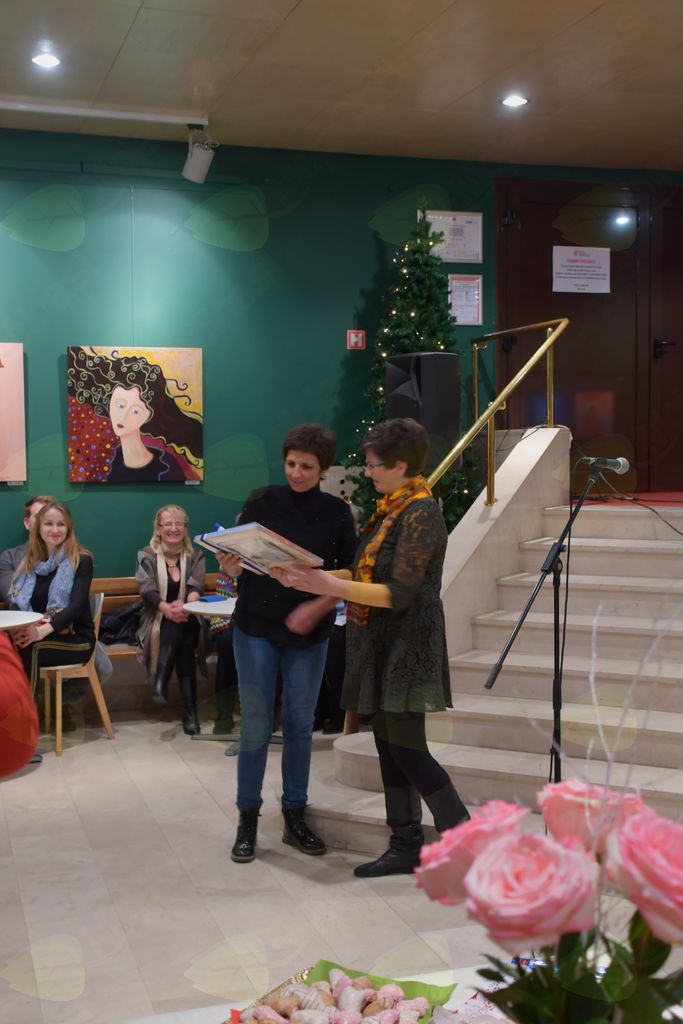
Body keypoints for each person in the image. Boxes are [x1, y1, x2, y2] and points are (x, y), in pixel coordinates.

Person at [273, 417, 470, 878]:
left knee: (408, 748)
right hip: (380, 641)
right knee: (388, 745)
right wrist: (309, 578)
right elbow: (363, 572)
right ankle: (405, 843)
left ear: (401, 466)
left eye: (375, 464)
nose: (367, 471)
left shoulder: (420, 513)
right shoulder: (391, 507)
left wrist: (331, 587)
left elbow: (397, 593)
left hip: (407, 644)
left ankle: (467, 840)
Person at [219, 423, 357, 864]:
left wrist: (316, 607)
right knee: (256, 725)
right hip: (255, 625)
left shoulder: (337, 512)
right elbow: (238, 566)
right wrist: (230, 566)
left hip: (308, 631)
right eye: (291, 464)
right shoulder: (262, 500)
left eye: (307, 467)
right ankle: (247, 819)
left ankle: (295, 815)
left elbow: (349, 576)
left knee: (299, 724)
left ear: (323, 469)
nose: (296, 473)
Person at [8, 502, 96, 751]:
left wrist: (40, 631)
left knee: (30, 647)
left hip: (77, 639)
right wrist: (21, 630)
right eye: (48, 524)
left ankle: (24, 733)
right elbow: (18, 603)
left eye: (61, 524)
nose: (55, 530)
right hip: (40, 634)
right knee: (10, 645)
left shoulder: (81, 560)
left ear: (69, 528)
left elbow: (75, 607)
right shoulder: (31, 563)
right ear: (38, 527)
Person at [67, 348, 202, 482]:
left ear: (148, 416)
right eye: (120, 405)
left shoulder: (167, 467)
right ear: (109, 402)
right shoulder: (105, 462)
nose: (123, 416)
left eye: (136, 411)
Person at [135, 505, 205, 735]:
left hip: (189, 615)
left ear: (185, 528)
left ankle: (162, 678)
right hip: (156, 618)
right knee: (183, 640)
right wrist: (167, 608)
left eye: (179, 524)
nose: (173, 529)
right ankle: (190, 713)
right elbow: (147, 590)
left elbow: (196, 587)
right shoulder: (146, 555)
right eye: (168, 524)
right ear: (158, 529)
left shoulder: (196, 556)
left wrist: (186, 606)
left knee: (184, 626)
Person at [0, 495, 57, 606]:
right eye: (38, 517)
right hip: (23, 616)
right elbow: (13, 600)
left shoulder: (69, 558)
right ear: (27, 523)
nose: (44, 523)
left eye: (49, 519)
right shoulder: (9, 559)